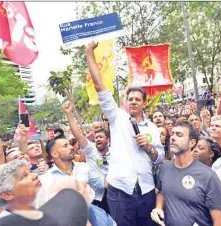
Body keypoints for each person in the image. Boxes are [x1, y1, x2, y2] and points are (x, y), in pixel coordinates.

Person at [86, 41, 165, 226]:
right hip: (120, 192)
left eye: (138, 99)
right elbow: (100, 88)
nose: (134, 102)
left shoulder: (152, 128)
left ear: (144, 104)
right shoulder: (117, 118)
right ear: (126, 102)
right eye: (130, 99)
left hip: (146, 190)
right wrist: (89, 53)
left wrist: (149, 147)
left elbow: (160, 157)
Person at [151, 121, 221, 226]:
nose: (173, 138)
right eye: (172, 134)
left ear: (192, 143)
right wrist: (158, 207)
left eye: (179, 135)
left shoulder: (208, 176)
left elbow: (219, 221)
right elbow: (161, 191)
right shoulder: (164, 168)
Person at [63, 100, 111, 213]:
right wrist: (69, 114)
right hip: (96, 197)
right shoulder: (90, 149)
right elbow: (77, 134)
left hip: (115, 194)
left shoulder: (115, 152)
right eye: (96, 137)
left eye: (101, 137)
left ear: (108, 140)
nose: (98, 139)